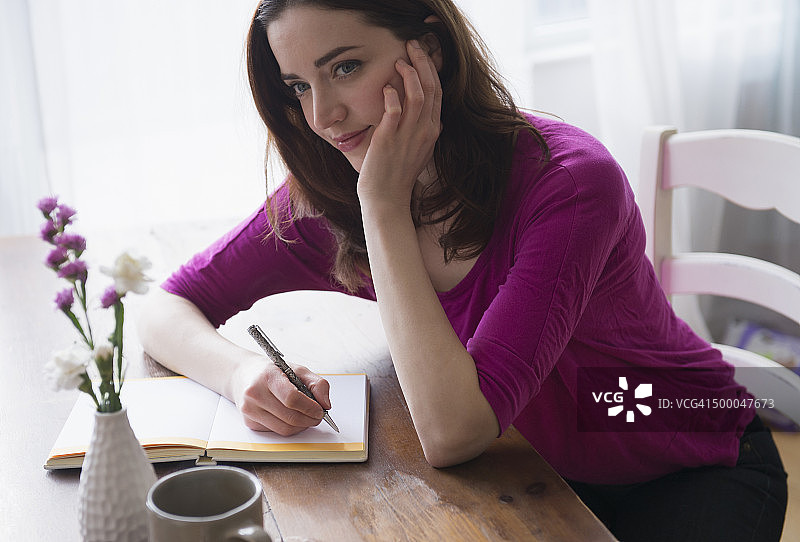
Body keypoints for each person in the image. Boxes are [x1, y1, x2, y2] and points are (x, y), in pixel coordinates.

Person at [137, 1, 788, 540]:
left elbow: (452, 433)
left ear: (429, 50)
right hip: (532, 469)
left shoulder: (569, 185)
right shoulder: (329, 197)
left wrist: (383, 207)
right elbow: (166, 306)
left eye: (345, 67)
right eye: (299, 86)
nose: (322, 115)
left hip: (685, 463)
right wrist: (240, 374)